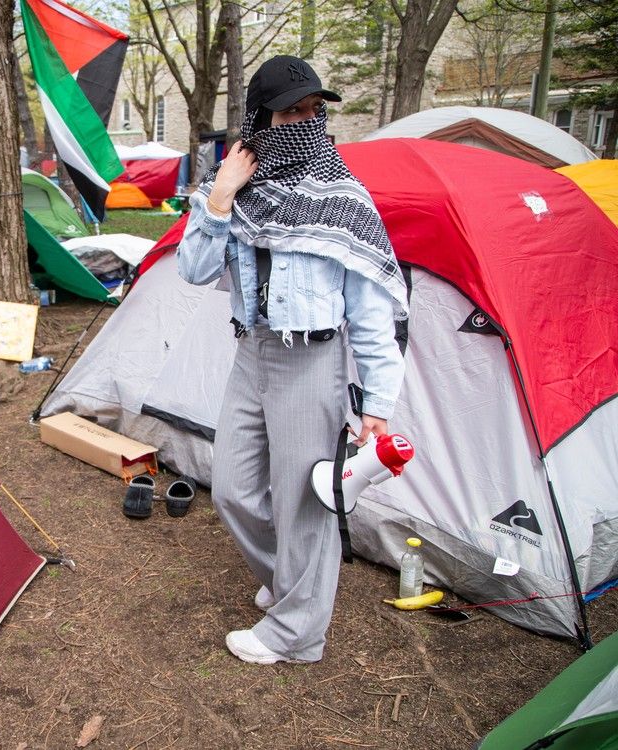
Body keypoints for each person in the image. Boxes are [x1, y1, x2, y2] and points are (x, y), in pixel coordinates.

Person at [176, 55, 408, 665]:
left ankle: (298, 634)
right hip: (251, 354)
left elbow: (370, 314)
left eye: (314, 110)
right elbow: (195, 271)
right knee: (230, 487)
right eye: (291, 112)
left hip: (313, 361)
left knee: (302, 501)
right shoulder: (231, 191)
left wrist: (378, 402)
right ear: (260, 119)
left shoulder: (342, 198)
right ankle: (292, 584)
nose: (307, 121)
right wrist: (220, 198)